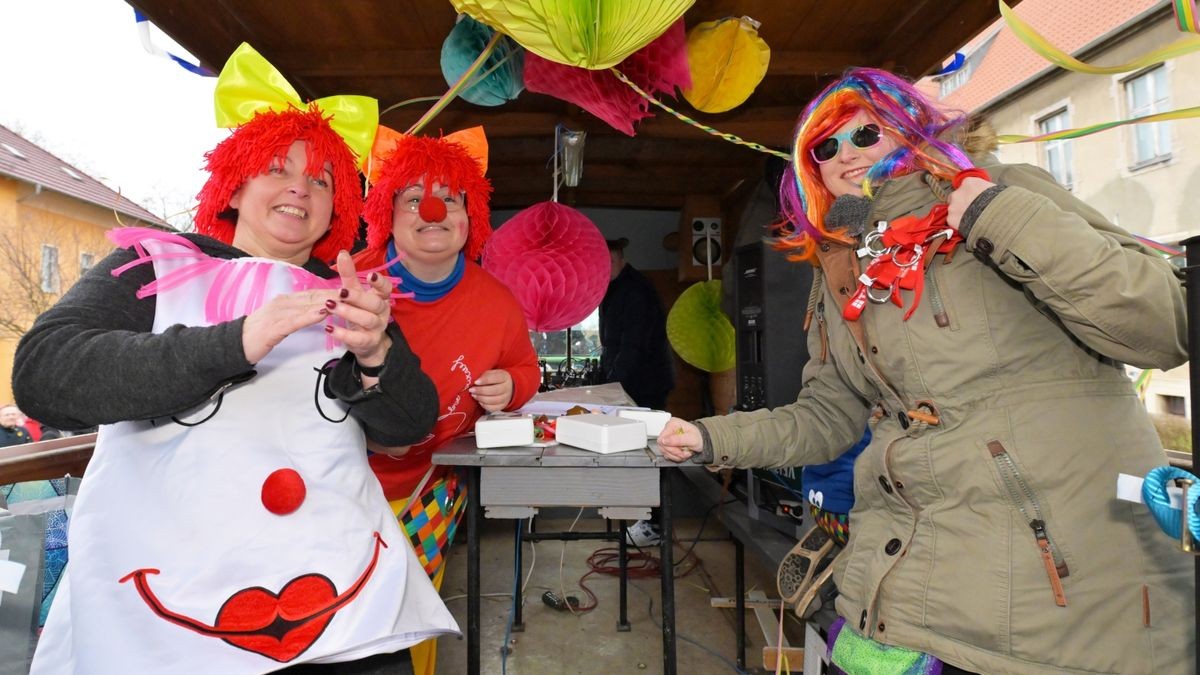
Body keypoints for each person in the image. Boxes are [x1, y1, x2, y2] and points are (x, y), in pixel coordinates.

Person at [657, 67, 1192, 674]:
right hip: (906, 573)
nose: (846, 156)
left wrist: (998, 217)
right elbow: (827, 416)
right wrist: (706, 438)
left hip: (1059, 587)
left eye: (865, 133)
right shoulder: (839, 263)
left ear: (908, 128)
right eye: (824, 148)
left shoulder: (1005, 191)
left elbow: (1165, 323)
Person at [12, 44, 456, 674]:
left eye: (323, 179)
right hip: (179, 617)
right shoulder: (155, 265)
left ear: (338, 208)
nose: (301, 186)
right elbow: (43, 374)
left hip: (336, 605)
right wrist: (235, 341)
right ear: (236, 184)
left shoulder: (350, 292)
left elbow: (411, 427)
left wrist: (376, 353)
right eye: (278, 168)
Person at [355, 127, 540, 675]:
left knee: (412, 622)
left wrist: (512, 385)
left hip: (430, 490)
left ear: (470, 217)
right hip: (341, 486)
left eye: (449, 198)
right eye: (413, 198)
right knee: (341, 625)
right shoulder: (352, 281)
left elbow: (527, 369)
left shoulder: (497, 301)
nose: (432, 209)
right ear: (386, 214)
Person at [599, 237, 674, 411]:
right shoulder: (614, 288)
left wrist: (614, 383)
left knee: (643, 431)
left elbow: (634, 342)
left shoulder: (636, 290)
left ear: (623, 262)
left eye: (611, 261)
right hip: (631, 379)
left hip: (644, 381)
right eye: (603, 262)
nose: (607, 267)